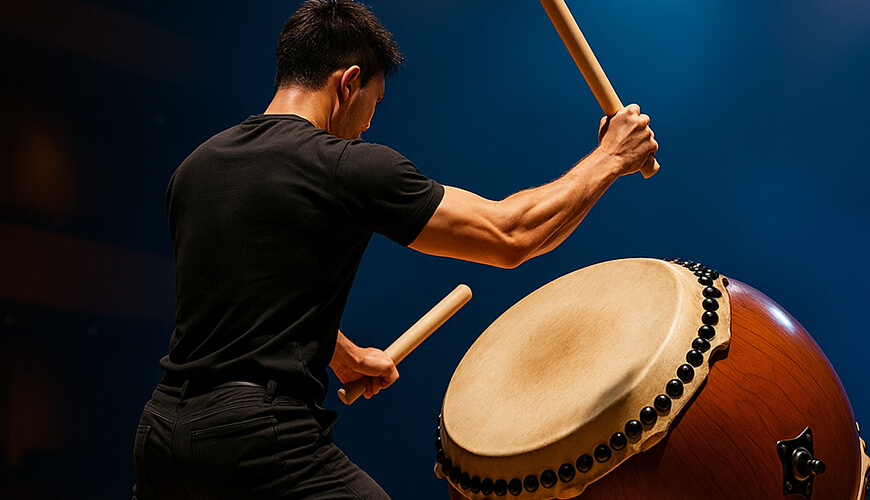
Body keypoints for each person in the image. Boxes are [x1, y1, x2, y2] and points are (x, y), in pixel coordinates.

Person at [131, 0, 657, 499]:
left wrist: (344, 353)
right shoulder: (343, 166)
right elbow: (510, 236)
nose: (367, 124)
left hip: (162, 436)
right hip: (256, 438)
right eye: (373, 103)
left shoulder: (196, 168)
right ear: (349, 83)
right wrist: (610, 157)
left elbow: (240, 296)